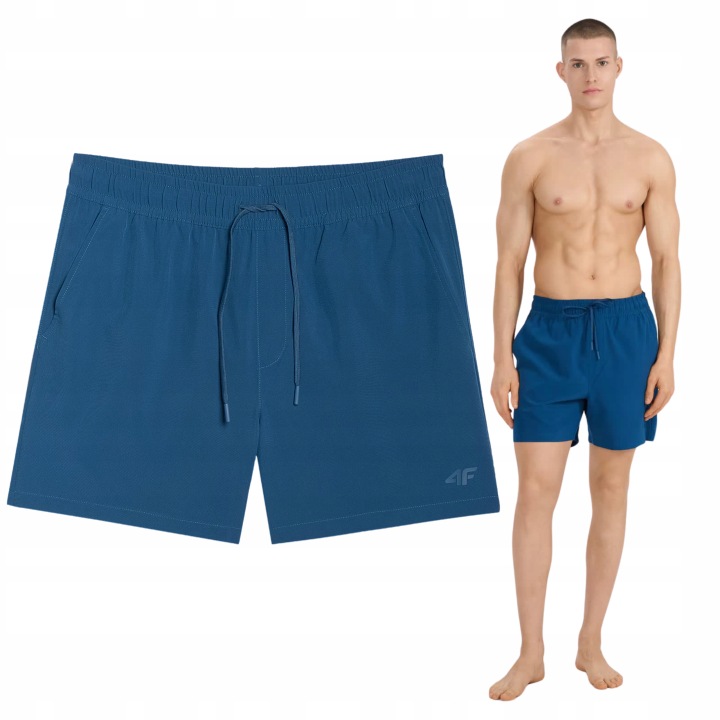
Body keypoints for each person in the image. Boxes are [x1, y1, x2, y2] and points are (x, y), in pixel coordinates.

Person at [488, 18, 680, 700]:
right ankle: (530, 652)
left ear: (619, 67)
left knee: (612, 488)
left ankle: (590, 641)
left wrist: (668, 355)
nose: (591, 74)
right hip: (550, 333)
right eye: (578, 63)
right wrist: (501, 356)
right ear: (561, 71)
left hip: (627, 333)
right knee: (536, 491)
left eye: (601, 62)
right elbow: (509, 262)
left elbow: (667, 260)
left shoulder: (650, 157)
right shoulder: (531, 157)